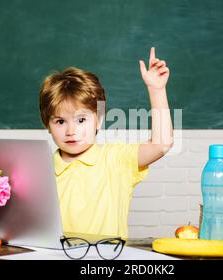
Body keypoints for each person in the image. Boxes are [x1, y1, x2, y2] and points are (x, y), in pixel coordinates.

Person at [38, 47, 173, 239]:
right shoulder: (41, 171)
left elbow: (162, 144)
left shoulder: (117, 159)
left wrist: (157, 90)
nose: (70, 131)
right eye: (60, 121)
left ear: (99, 120)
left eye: (81, 120)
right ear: (48, 125)